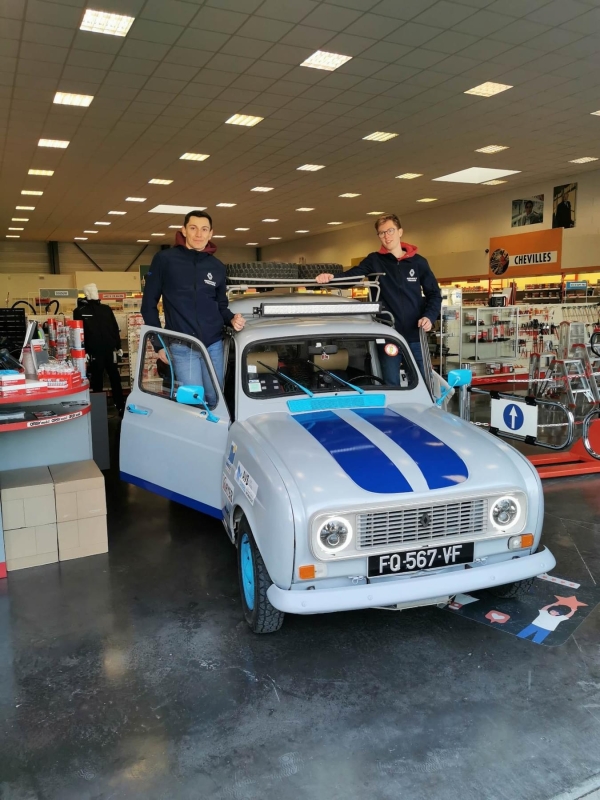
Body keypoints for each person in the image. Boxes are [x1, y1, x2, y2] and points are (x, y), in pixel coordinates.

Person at [316, 214, 441, 382]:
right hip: (389, 336)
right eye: (382, 233)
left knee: (424, 384)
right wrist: (330, 278)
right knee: (391, 384)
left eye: (390, 231)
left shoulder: (418, 263)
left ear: (400, 232)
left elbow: (434, 294)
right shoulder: (374, 260)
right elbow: (351, 277)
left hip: (415, 337)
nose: (386, 236)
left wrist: (429, 316)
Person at [141, 210, 245, 406]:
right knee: (194, 402)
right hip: (183, 345)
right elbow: (148, 305)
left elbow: (221, 305)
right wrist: (158, 343)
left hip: (214, 345)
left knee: (215, 399)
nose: (199, 234)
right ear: (184, 230)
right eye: (193, 228)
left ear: (211, 233)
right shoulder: (165, 259)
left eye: (204, 229)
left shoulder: (217, 267)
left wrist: (231, 318)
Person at [74, 283, 125, 415]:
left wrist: (118, 346)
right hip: (94, 351)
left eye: (96, 289)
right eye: (91, 289)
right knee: (97, 380)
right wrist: (83, 351)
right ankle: (98, 409)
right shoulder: (80, 311)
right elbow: (78, 333)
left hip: (109, 350)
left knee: (115, 378)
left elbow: (114, 328)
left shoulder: (106, 309)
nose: (95, 291)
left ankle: (120, 405)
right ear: (86, 293)